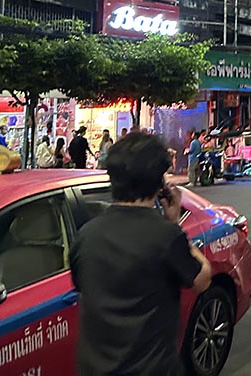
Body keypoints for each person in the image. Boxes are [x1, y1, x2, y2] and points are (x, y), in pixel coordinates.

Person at [72, 131, 211, 374]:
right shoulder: (166, 236)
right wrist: (175, 225)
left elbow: (82, 286)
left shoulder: (86, 235)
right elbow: (202, 279)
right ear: (159, 185)